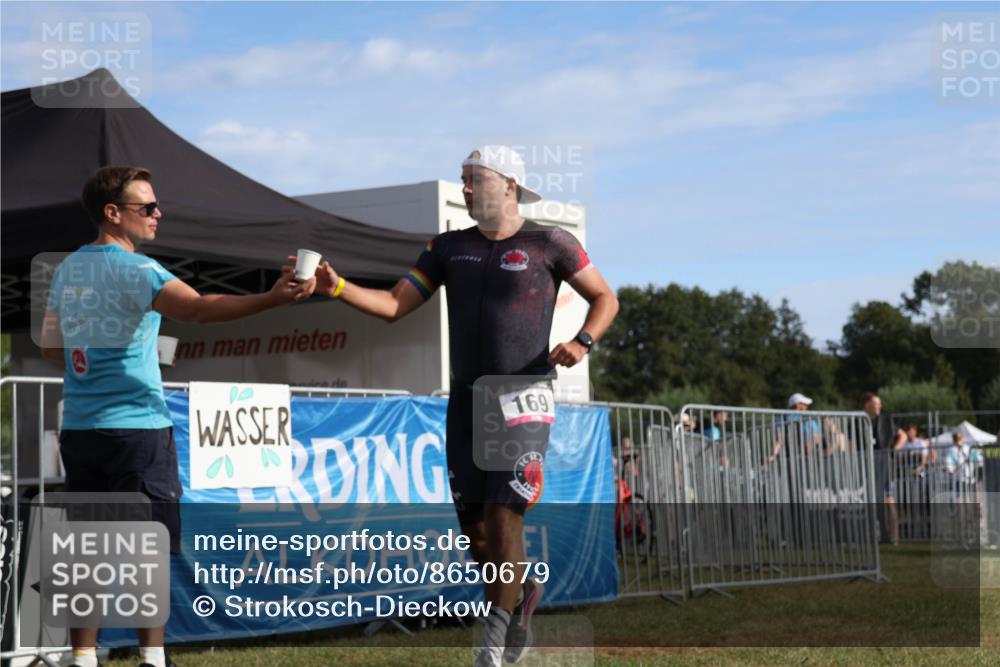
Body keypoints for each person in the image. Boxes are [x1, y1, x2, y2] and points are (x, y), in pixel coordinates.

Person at [304, 145, 619, 667]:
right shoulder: (448, 246)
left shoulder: (550, 242)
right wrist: (334, 286)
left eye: (475, 180)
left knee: (503, 511)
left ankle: (490, 645)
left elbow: (605, 298)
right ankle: (519, 598)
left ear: (510, 186)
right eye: (463, 180)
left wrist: (583, 340)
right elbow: (393, 306)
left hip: (523, 398)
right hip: (466, 402)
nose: (466, 189)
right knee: (476, 534)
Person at [40, 167, 315, 667]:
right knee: (147, 551)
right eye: (147, 207)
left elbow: (51, 348)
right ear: (113, 213)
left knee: (90, 551)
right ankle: (152, 659)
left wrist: (105, 359)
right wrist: (275, 297)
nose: (158, 214)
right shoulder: (139, 271)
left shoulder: (67, 269)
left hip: (81, 429)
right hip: (138, 430)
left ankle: (81, 658)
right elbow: (202, 309)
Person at [861, 392, 907, 545]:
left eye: (880, 404)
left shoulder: (886, 420)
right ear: (867, 404)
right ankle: (878, 534)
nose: (879, 406)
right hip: (868, 467)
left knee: (888, 500)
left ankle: (894, 536)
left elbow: (903, 436)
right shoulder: (858, 420)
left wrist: (893, 450)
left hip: (885, 466)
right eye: (876, 403)